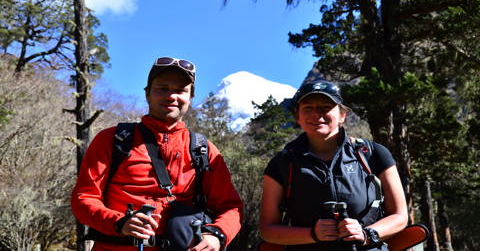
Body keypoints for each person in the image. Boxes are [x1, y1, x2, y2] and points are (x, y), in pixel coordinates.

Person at [71, 56, 243, 251]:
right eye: (162, 88)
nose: (172, 96)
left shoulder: (203, 150)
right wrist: (119, 222)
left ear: (190, 96)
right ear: (147, 94)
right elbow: (84, 198)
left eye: (180, 90)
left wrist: (217, 235)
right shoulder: (112, 140)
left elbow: (231, 207)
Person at [259, 79, 408, 251]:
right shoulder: (282, 163)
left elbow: (400, 216)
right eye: (308, 108)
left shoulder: (373, 154)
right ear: (297, 116)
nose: (316, 114)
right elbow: (267, 229)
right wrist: (312, 235)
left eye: (325, 107)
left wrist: (367, 234)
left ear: (342, 115)